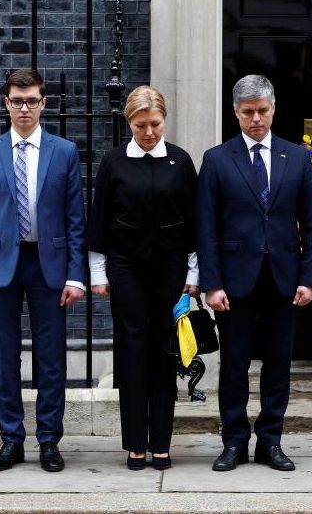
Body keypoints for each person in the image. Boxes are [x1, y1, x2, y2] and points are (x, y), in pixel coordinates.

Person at [196, 74, 312, 472]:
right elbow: (207, 227)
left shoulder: (297, 157)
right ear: (235, 113)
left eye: (262, 111)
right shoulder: (217, 159)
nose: (256, 119)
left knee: (278, 362)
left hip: (283, 277)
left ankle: (271, 441)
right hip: (234, 281)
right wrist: (211, 283)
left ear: (273, 109)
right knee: (234, 363)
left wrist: (309, 277)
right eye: (248, 112)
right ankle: (233, 441)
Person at [0, 68, 86, 472]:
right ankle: (11, 439)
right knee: (4, 358)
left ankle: (49, 440)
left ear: (43, 103)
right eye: (17, 101)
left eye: (32, 100)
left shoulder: (64, 152)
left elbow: (75, 220)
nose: (24, 108)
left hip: (48, 266)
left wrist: (74, 274)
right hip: (0, 268)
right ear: (6, 103)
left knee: (52, 359)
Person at [88, 86, 199, 471]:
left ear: (163, 120)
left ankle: (162, 443)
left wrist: (194, 274)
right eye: (140, 125)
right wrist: (98, 274)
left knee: (165, 354)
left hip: (170, 268)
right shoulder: (115, 163)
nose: (148, 132)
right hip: (126, 268)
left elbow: (194, 224)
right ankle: (136, 443)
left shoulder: (181, 162)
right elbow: (99, 222)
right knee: (133, 352)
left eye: (154, 124)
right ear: (128, 123)